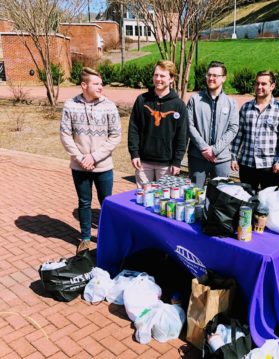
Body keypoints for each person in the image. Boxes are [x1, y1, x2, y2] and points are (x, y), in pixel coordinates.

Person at [60, 67, 121, 253]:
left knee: (107, 203)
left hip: (103, 166)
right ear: (84, 85)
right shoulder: (70, 105)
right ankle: (85, 238)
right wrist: (80, 158)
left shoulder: (109, 106)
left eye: (101, 83)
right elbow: (65, 135)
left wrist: (94, 157)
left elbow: (116, 136)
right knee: (84, 202)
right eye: (96, 84)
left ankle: (108, 237)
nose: (101, 87)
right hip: (79, 167)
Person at [128, 60, 188, 186]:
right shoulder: (142, 100)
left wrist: (177, 161)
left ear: (171, 79)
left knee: (164, 202)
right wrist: (134, 154)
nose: (158, 79)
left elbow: (182, 136)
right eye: (156, 75)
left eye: (162, 76)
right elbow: (134, 129)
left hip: (167, 165)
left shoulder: (178, 105)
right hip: (143, 163)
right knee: (143, 199)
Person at [230, 70, 279, 192]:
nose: (259, 87)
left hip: (270, 166)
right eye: (257, 83)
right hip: (247, 164)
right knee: (247, 202)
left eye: (264, 84)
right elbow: (239, 135)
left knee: (268, 204)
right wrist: (234, 157)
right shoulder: (246, 108)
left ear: (272, 86)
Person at [187, 61, 239, 187]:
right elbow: (189, 125)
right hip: (198, 157)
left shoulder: (231, 103)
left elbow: (233, 128)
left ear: (223, 78)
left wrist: (214, 150)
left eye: (215, 75)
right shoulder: (195, 100)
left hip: (221, 159)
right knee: (194, 195)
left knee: (219, 197)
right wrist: (204, 148)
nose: (211, 78)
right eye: (209, 75)